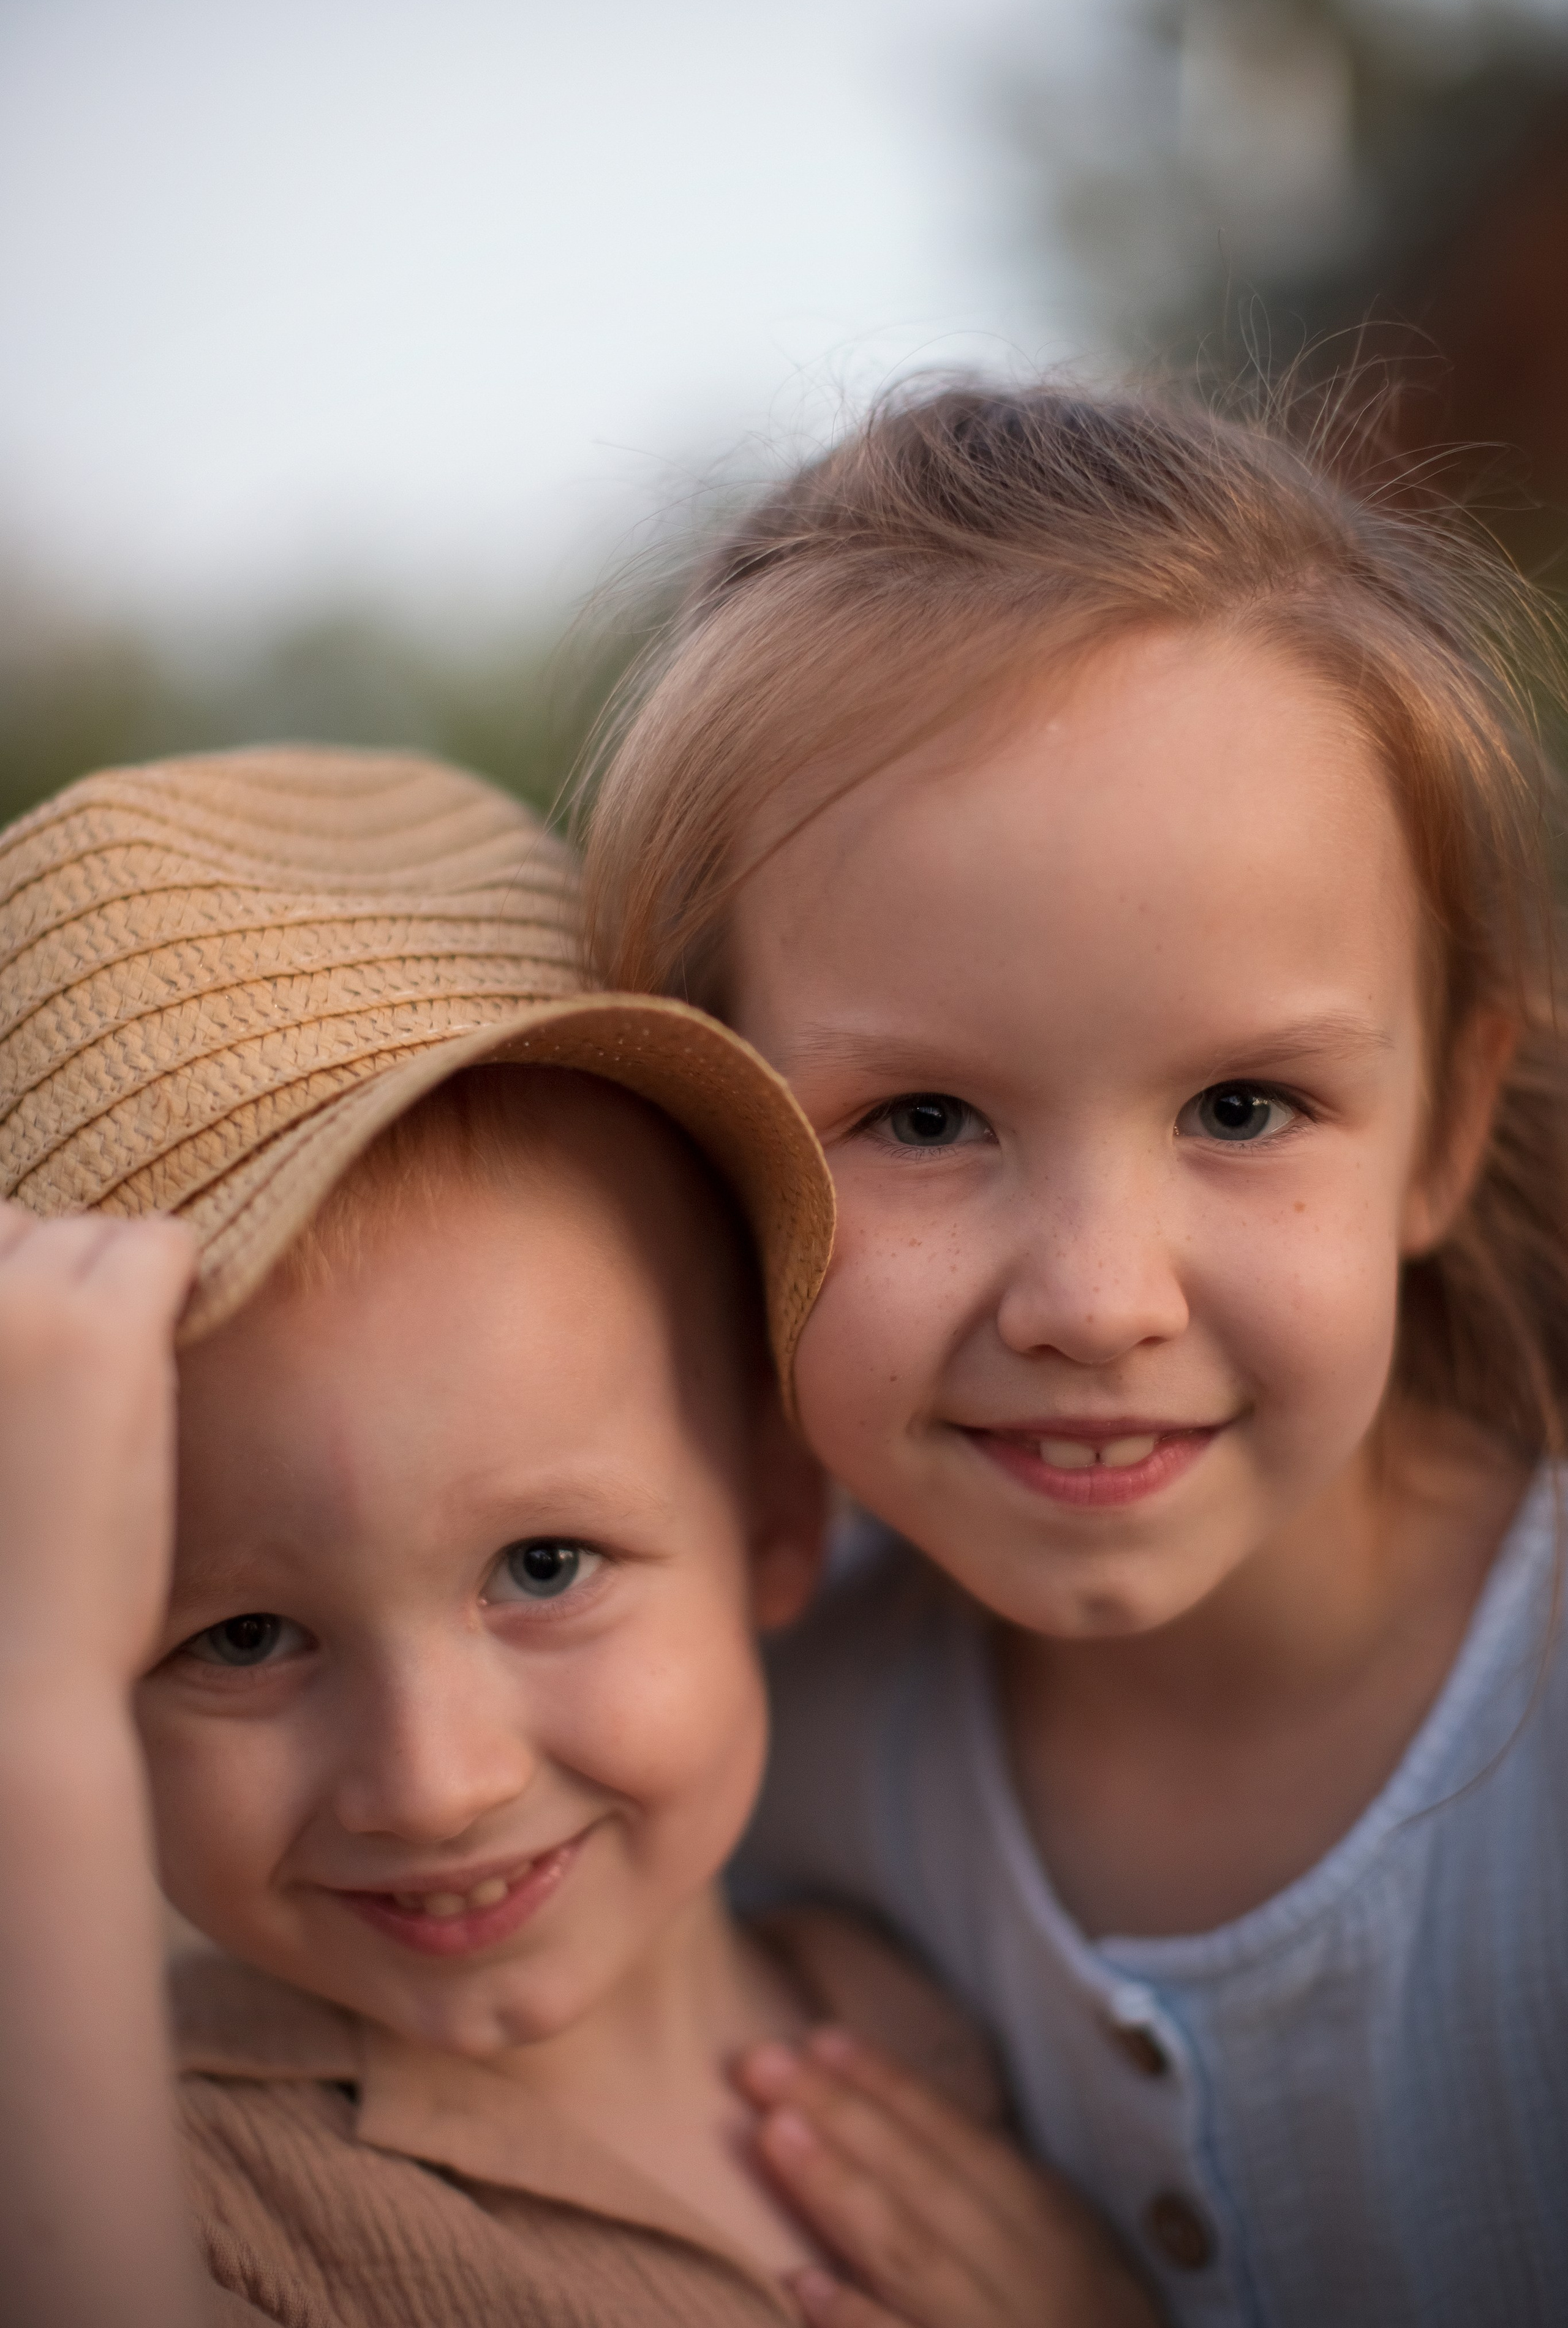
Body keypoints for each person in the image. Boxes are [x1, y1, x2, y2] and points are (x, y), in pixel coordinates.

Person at [581, 380, 1568, 2327]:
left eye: (1246, 1106)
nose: (1097, 1299)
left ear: (1444, 1132)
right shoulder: (748, 1750)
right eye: (927, 1121)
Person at [0, 747, 1159, 2328]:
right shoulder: (169, 2189)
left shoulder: (920, 2018)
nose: (436, 1781)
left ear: (775, 1509)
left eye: (543, 1567)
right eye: (242, 1639)